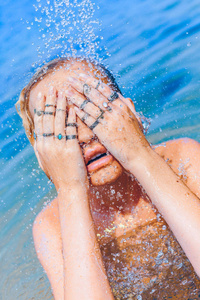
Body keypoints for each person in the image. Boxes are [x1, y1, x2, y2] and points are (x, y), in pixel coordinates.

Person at [16, 57, 200, 299]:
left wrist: (139, 154)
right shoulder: (52, 226)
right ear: (45, 156)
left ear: (129, 112)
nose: (83, 134)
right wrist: (70, 188)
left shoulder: (183, 161)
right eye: (62, 128)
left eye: (93, 108)